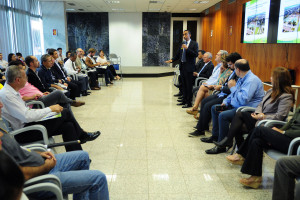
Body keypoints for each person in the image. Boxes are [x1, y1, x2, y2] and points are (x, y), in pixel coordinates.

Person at [0, 106, 109, 199]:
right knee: (99, 178)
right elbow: (17, 175)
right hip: (39, 178)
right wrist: (45, 167)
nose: (1, 105)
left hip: (40, 164)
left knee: (83, 156)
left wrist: (38, 153)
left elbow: (17, 150)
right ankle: (82, 134)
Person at [0, 65, 100, 151]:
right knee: (65, 112)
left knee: (68, 126)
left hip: (29, 124)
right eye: (25, 77)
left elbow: (25, 111)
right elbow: (26, 116)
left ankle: (78, 157)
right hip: (25, 132)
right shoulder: (7, 95)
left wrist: (45, 112)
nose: (27, 80)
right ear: (18, 80)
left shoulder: (12, 92)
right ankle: (82, 135)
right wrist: (50, 109)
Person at [214, 67, 294, 149]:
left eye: (272, 77)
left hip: (269, 123)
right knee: (239, 115)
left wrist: (263, 116)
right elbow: (260, 104)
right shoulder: (271, 91)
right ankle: (231, 142)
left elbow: (280, 116)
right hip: (259, 118)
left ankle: (236, 147)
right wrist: (258, 113)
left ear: (279, 79)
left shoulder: (286, 96)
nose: (270, 78)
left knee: (238, 126)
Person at [226, 106, 300, 189]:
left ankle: (242, 155)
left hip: (296, 143)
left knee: (259, 130)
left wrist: (283, 132)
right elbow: (291, 122)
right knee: (257, 141)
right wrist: (278, 131)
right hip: (287, 138)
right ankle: (255, 178)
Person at [203, 59, 265, 154]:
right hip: (236, 105)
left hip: (245, 109)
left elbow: (243, 99)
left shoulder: (251, 80)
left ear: (238, 69)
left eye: (235, 68)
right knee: (215, 108)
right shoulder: (241, 77)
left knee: (223, 116)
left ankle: (222, 145)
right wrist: (225, 101)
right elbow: (233, 95)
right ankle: (216, 136)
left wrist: (232, 87)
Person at [188, 52, 242, 136]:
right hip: (223, 93)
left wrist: (221, 88)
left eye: (230, 64)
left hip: (227, 96)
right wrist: (221, 85)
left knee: (209, 105)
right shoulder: (234, 72)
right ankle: (202, 127)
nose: (229, 66)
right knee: (205, 101)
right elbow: (225, 84)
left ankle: (203, 130)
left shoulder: (237, 74)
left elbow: (233, 90)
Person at [166, 30, 199, 108]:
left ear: (190, 35)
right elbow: (178, 54)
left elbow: (195, 54)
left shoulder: (194, 44)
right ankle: (184, 100)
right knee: (183, 85)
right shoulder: (182, 44)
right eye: (183, 34)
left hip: (189, 68)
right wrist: (172, 60)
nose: (184, 36)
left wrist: (187, 49)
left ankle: (189, 102)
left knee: (188, 85)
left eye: (186, 34)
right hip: (182, 67)